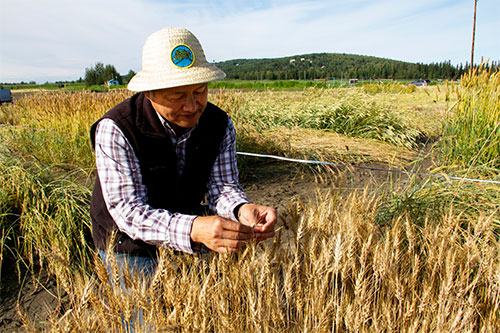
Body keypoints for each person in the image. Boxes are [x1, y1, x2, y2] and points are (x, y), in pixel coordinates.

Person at [90, 27, 277, 280]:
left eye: (199, 91)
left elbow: (222, 187)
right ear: (149, 93)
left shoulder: (220, 124)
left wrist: (241, 209)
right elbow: (129, 212)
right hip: (128, 245)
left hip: (189, 232)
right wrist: (194, 227)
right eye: (176, 96)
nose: (191, 106)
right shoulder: (117, 128)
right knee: (145, 318)